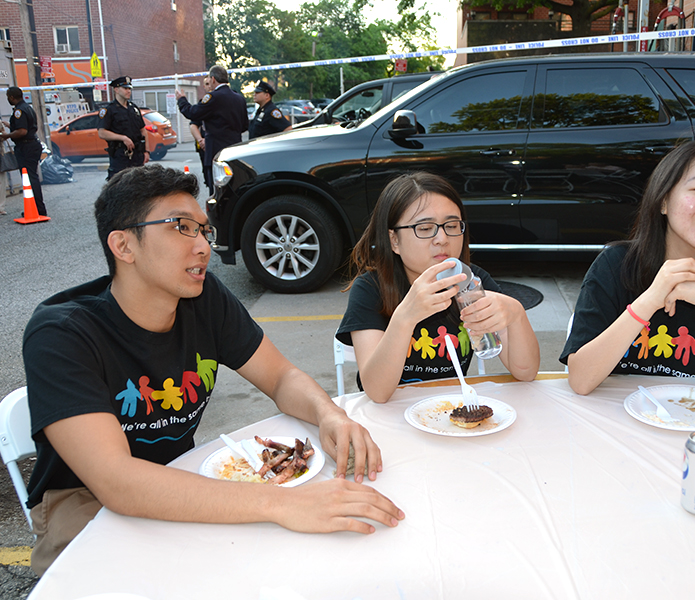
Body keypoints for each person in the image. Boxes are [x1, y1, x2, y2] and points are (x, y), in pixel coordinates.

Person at [22, 165, 404, 576]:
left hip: (181, 478)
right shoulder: (61, 334)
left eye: (204, 230)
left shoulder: (204, 299)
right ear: (123, 246)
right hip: (82, 502)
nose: (202, 246)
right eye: (181, 227)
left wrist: (330, 415)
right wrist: (282, 504)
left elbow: (280, 376)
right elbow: (117, 481)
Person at [560, 140, 695, 404]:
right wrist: (651, 298)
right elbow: (581, 380)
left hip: (694, 420)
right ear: (663, 201)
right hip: (620, 423)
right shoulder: (615, 264)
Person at [336, 172, 540, 403]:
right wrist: (405, 317)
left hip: (450, 409)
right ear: (394, 240)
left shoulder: (471, 281)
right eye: (424, 228)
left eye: (451, 225)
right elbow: (377, 392)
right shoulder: (371, 289)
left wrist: (516, 313)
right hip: (390, 416)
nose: (442, 238)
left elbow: (526, 372)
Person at [176, 65, 248, 186]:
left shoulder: (213, 97)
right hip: (235, 149)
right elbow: (245, 126)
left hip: (216, 151)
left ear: (213, 79)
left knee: (216, 190)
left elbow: (192, 113)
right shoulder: (239, 98)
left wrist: (182, 100)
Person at [1, 86, 46, 216]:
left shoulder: (19, 111)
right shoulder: (27, 108)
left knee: (30, 178)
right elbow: (24, 127)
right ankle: (36, 208)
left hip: (26, 147)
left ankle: (37, 209)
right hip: (31, 145)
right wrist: (9, 125)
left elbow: (22, 131)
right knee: (32, 177)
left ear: (11, 97)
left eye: (8, 96)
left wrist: (6, 136)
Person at [98, 76, 149, 180]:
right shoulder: (109, 110)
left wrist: (146, 151)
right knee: (119, 185)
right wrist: (123, 138)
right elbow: (102, 132)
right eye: (125, 88)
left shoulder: (133, 108)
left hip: (137, 155)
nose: (128, 91)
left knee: (140, 184)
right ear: (116, 90)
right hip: (120, 155)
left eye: (129, 89)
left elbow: (143, 130)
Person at [189, 76, 213, 194]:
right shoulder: (202, 104)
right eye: (207, 84)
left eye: (211, 83)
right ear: (204, 86)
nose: (209, 86)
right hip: (204, 147)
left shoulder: (222, 102)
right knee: (208, 176)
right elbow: (193, 125)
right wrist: (200, 140)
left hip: (217, 145)